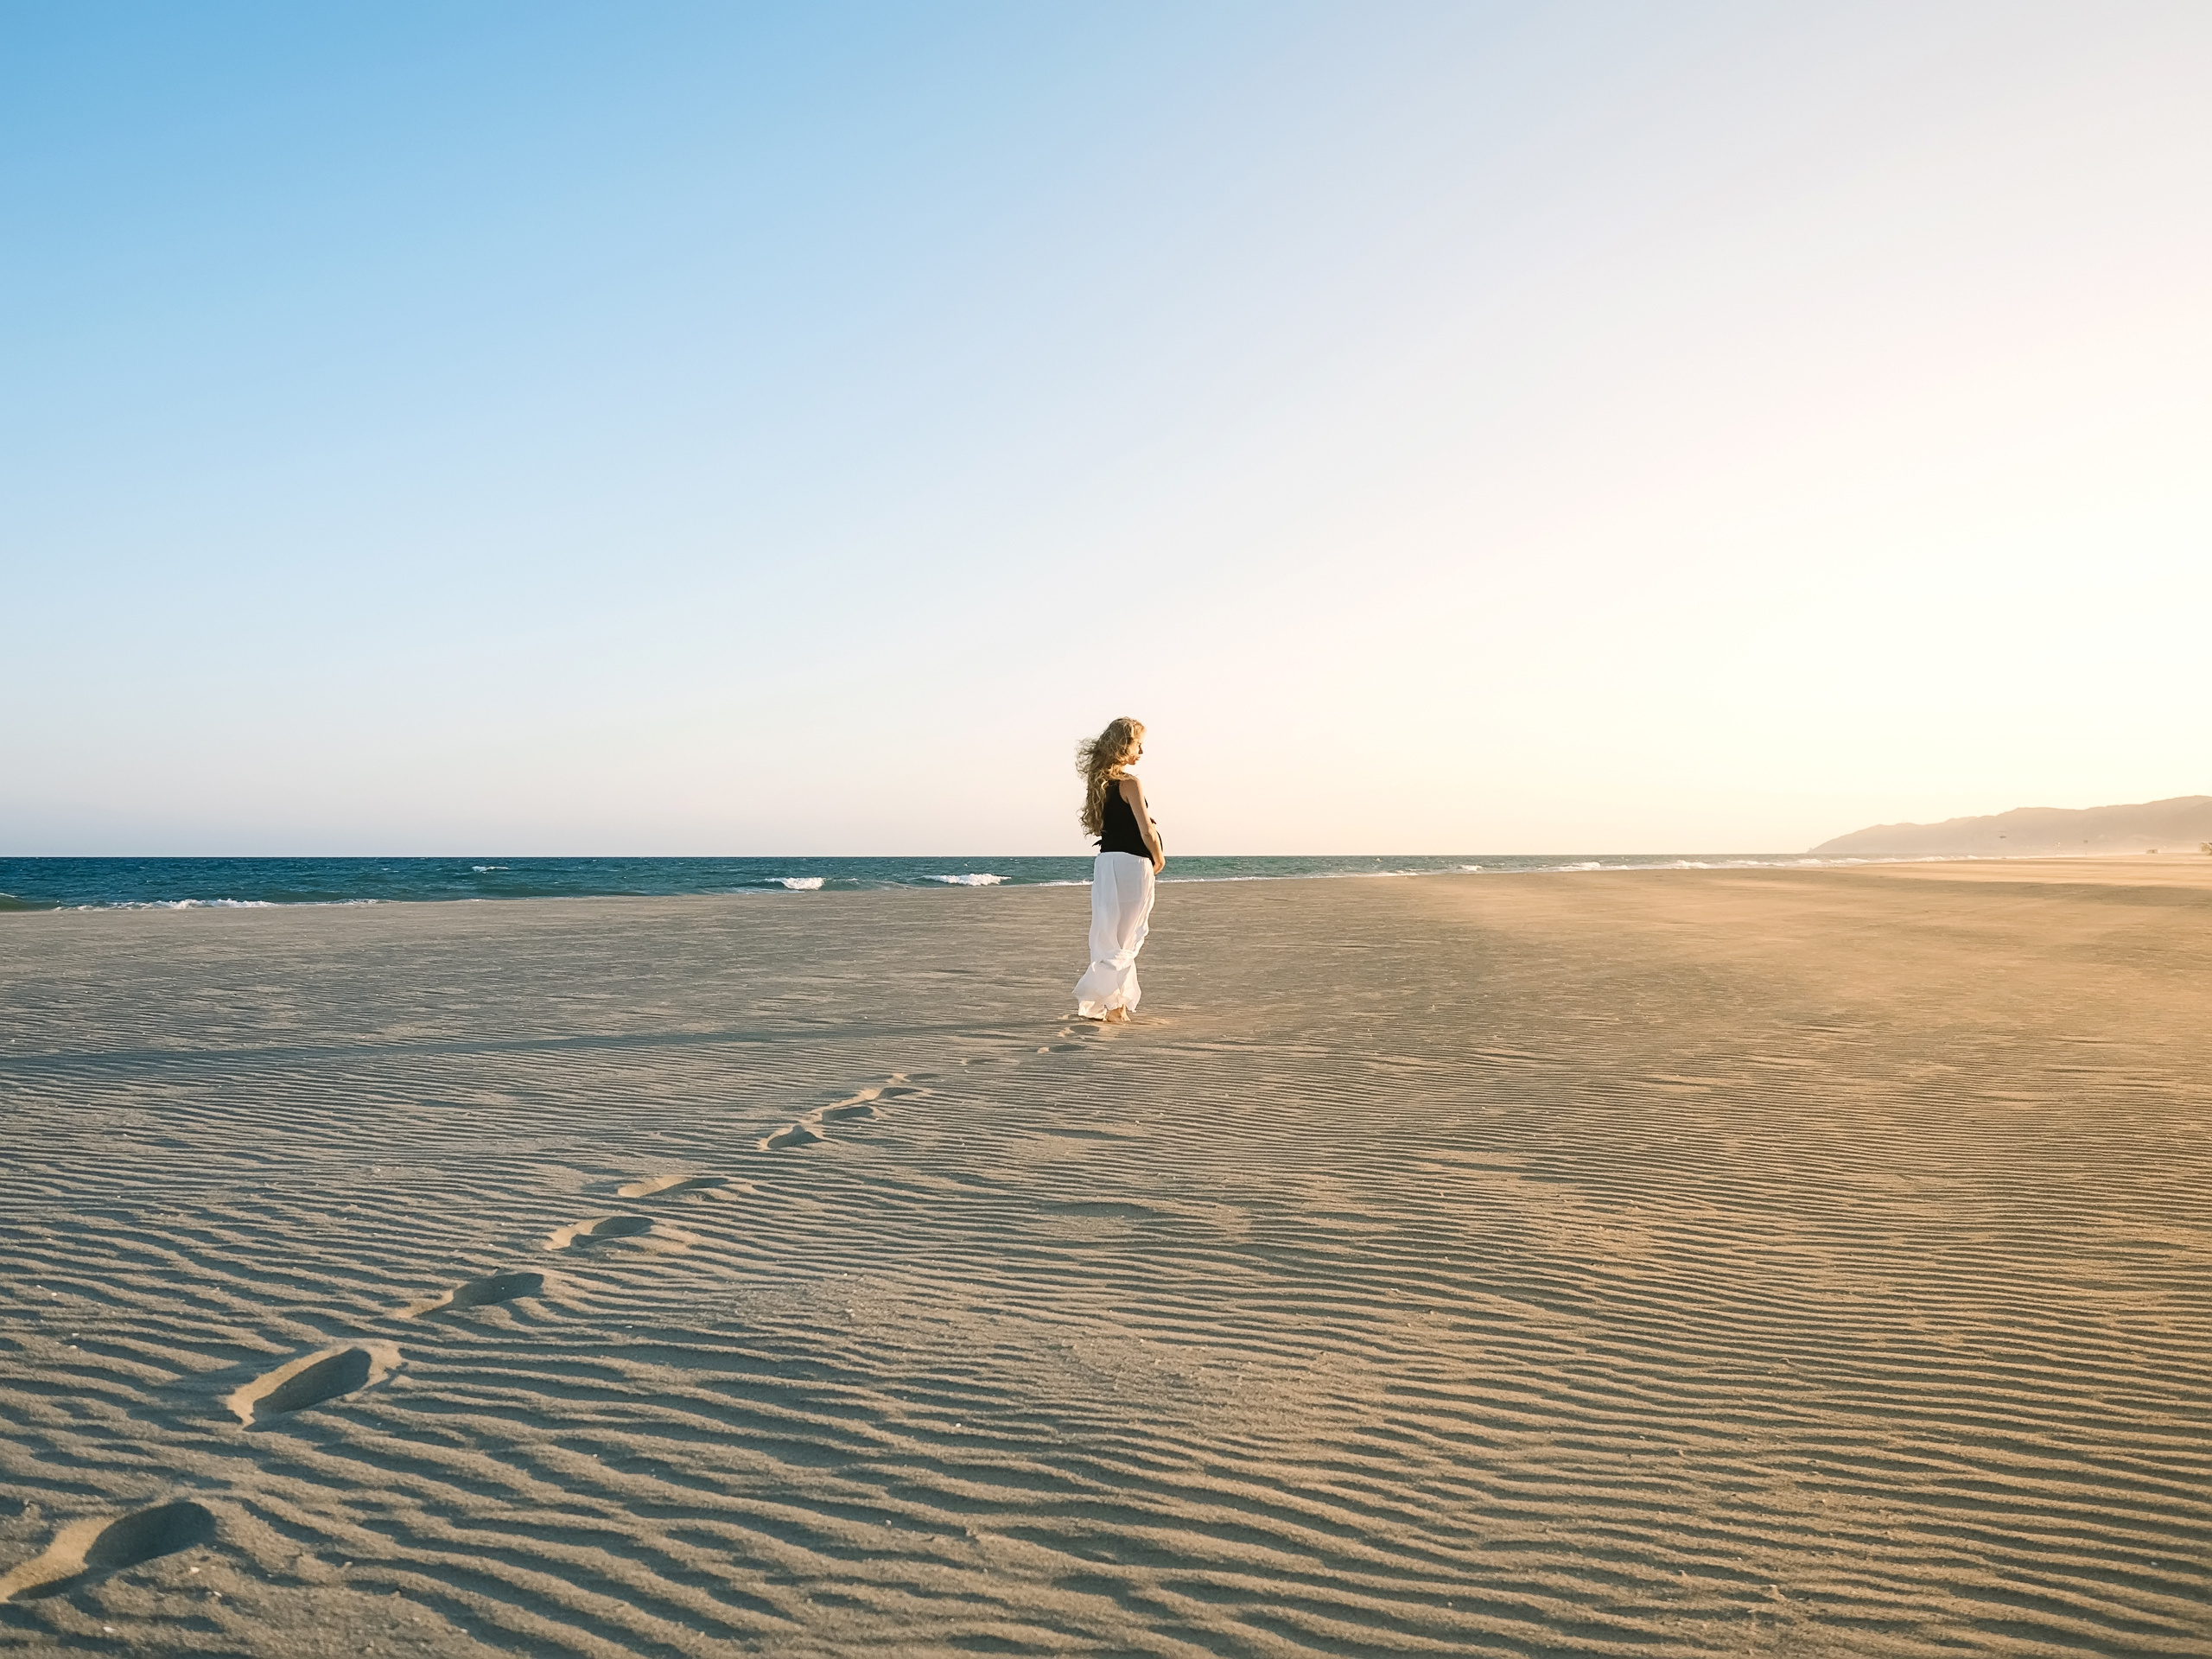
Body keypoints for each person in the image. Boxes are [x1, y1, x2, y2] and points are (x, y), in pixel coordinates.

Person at [1073, 716, 1164, 1022]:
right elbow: (1145, 831)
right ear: (1124, 746)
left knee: (1106, 935)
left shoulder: (1099, 786)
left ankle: (1114, 1005)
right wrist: (1159, 855)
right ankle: (1114, 1007)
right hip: (1132, 865)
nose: (1142, 751)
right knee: (1128, 937)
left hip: (1106, 864)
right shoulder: (1130, 783)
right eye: (1139, 744)